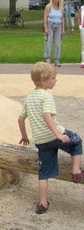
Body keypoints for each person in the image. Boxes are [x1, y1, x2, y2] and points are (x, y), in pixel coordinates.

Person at [18, 62, 84, 214]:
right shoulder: (46, 96)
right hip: (54, 135)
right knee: (77, 140)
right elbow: (46, 115)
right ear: (43, 80)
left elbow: (20, 119)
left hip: (41, 141)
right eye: (54, 78)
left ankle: (42, 203)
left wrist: (24, 136)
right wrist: (58, 134)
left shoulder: (30, 97)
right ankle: (75, 171)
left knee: (44, 172)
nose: (56, 80)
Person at [43, 0, 65, 67]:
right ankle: (48, 59)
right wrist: (45, 27)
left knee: (57, 44)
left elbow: (62, 19)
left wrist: (63, 29)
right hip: (50, 25)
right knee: (48, 43)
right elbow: (45, 17)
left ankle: (56, 60)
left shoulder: (61, 8)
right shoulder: (48, 7)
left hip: (58, 26)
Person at [79, 4, 84, 69]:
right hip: (83, 28)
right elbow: (79, 17)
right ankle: (83, 61)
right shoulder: (82, 7)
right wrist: (80, 25)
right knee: (83, 44)